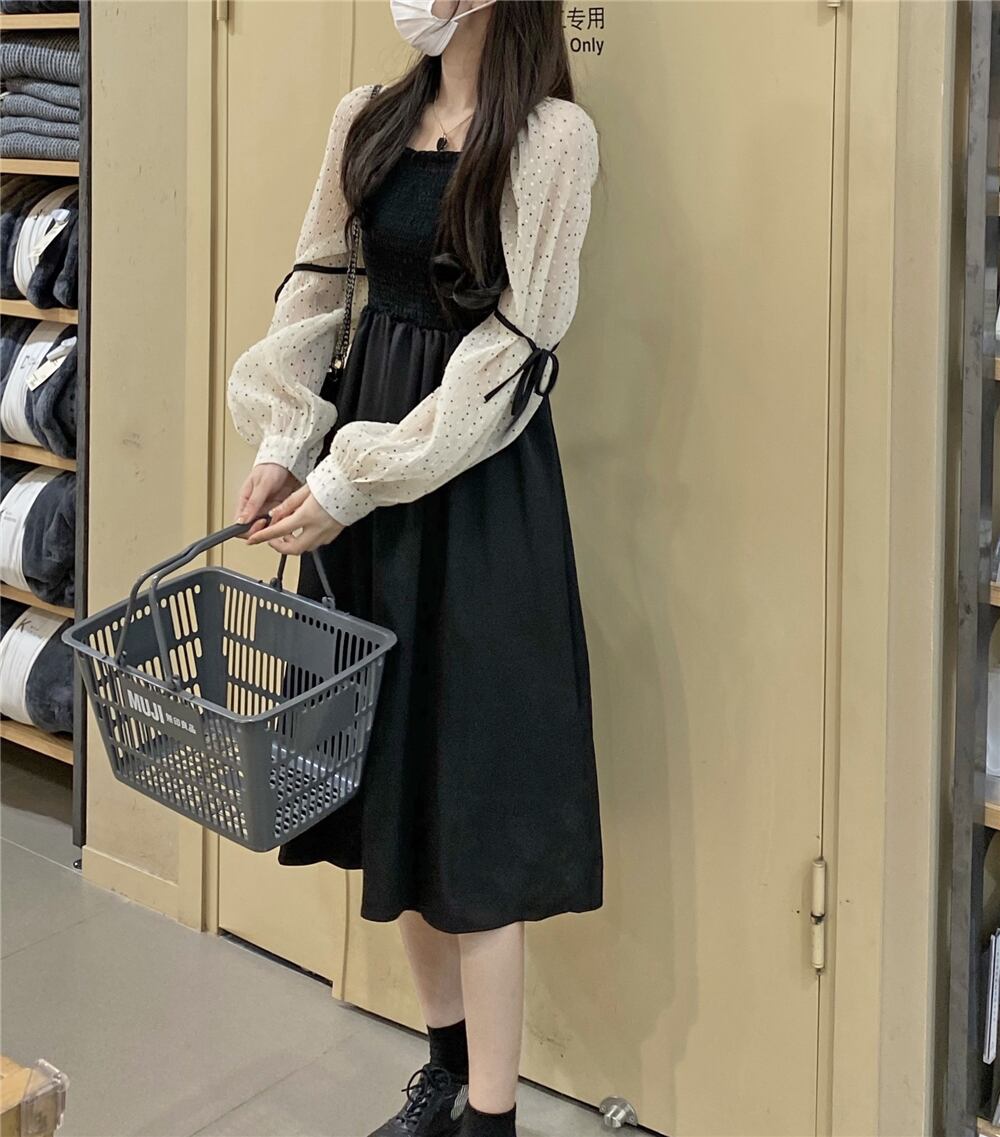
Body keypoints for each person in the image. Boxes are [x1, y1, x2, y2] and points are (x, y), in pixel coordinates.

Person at [226, 2, 603, 1134]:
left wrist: (355, 478)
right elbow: (317, 291)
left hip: (472, 489)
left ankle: (493, 1117)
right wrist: (284, 439)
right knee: (387, 778)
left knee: (472, 802)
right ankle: (444, 1074)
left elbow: (517, 347)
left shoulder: (551, 138)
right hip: (363, 483)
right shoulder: (369, 118)